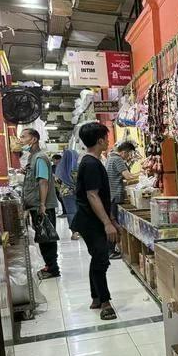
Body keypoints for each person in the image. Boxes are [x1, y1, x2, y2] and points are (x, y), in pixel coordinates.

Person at [72, 122, 118, 320]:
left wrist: (111, 219)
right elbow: (92, 195)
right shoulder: (90, 163)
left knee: (97, 257)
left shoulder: (92, 161)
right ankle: (105, 302)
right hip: (91, 221)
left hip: (91, 219)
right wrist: (107, 223)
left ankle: (96, 297)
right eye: (106, 138)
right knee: (101, 258)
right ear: (100, 140)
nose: (108, 141)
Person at [18, 128, 60, 279]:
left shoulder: (40, 158)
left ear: (34, 139)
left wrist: (42, 204)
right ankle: (50, 266)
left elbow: (43, 182)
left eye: (23, 137)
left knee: (47, 237)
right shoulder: (33, 157)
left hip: (42, 205)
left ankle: (53, 268)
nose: (21, 140)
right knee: (43, 237)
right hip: (36, 204)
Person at [105, 141, 138, 259]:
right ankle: (110, 251)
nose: (129, 157)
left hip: (110, 195)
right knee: (113, 224)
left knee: (113, 222)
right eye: (129, 154)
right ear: (124, 152)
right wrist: (142, 174)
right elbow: (128, 176)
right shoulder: (118, 159)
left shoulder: (110, 158)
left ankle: (111, 249)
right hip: (114, 196)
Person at [55, 149, 81, 240]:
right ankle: (81, 230)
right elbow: (80, 181)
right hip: (78, 193)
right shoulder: (76, 167)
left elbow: (57, 182)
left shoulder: (59, 168)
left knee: (71, 212)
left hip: (65, 194)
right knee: (79, 211)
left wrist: (62, 190)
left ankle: (74, 233)